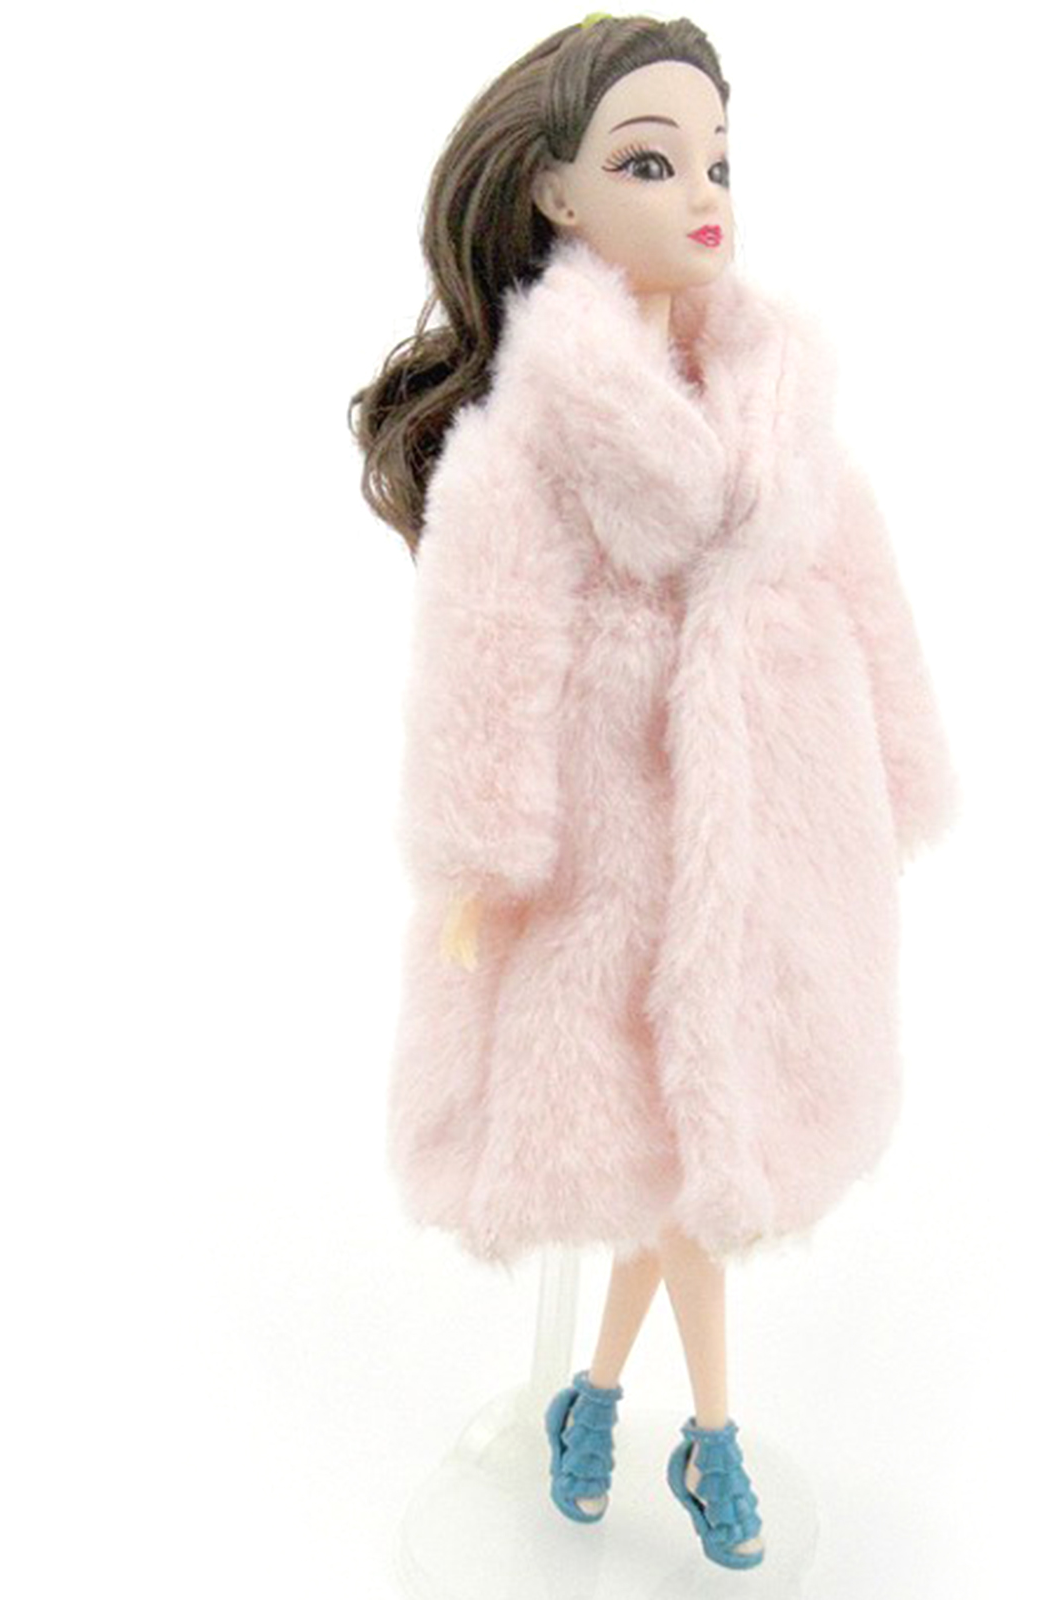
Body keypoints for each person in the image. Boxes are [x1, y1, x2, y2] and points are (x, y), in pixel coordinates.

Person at [347, 13, 958, 1571]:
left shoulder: (778, 391)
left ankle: (603, 1403)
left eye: (717, 161)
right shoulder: (536, 435)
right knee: (663, 1163)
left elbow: (863, 581)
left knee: (687, 1168)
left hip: (775, 843)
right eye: (646, 161)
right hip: (613, 862)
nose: (701, 193)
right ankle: (709, 1437)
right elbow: (489, 638)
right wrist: (480, 860)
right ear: (554, 193)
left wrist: (895, 772)